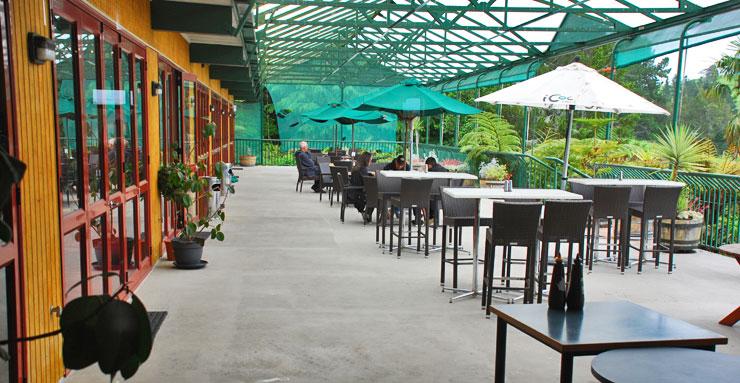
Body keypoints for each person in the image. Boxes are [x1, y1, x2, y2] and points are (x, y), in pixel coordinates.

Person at [349, 152, 374, 223]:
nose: (371, 161)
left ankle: (366, 214)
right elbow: (366, 183)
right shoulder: (363, 169)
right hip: (358, 195)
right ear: (367, 160)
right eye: (370, 160)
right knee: (374, 196)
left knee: (373, 195)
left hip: (353, 192)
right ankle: (367, 214)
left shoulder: (357, 167)